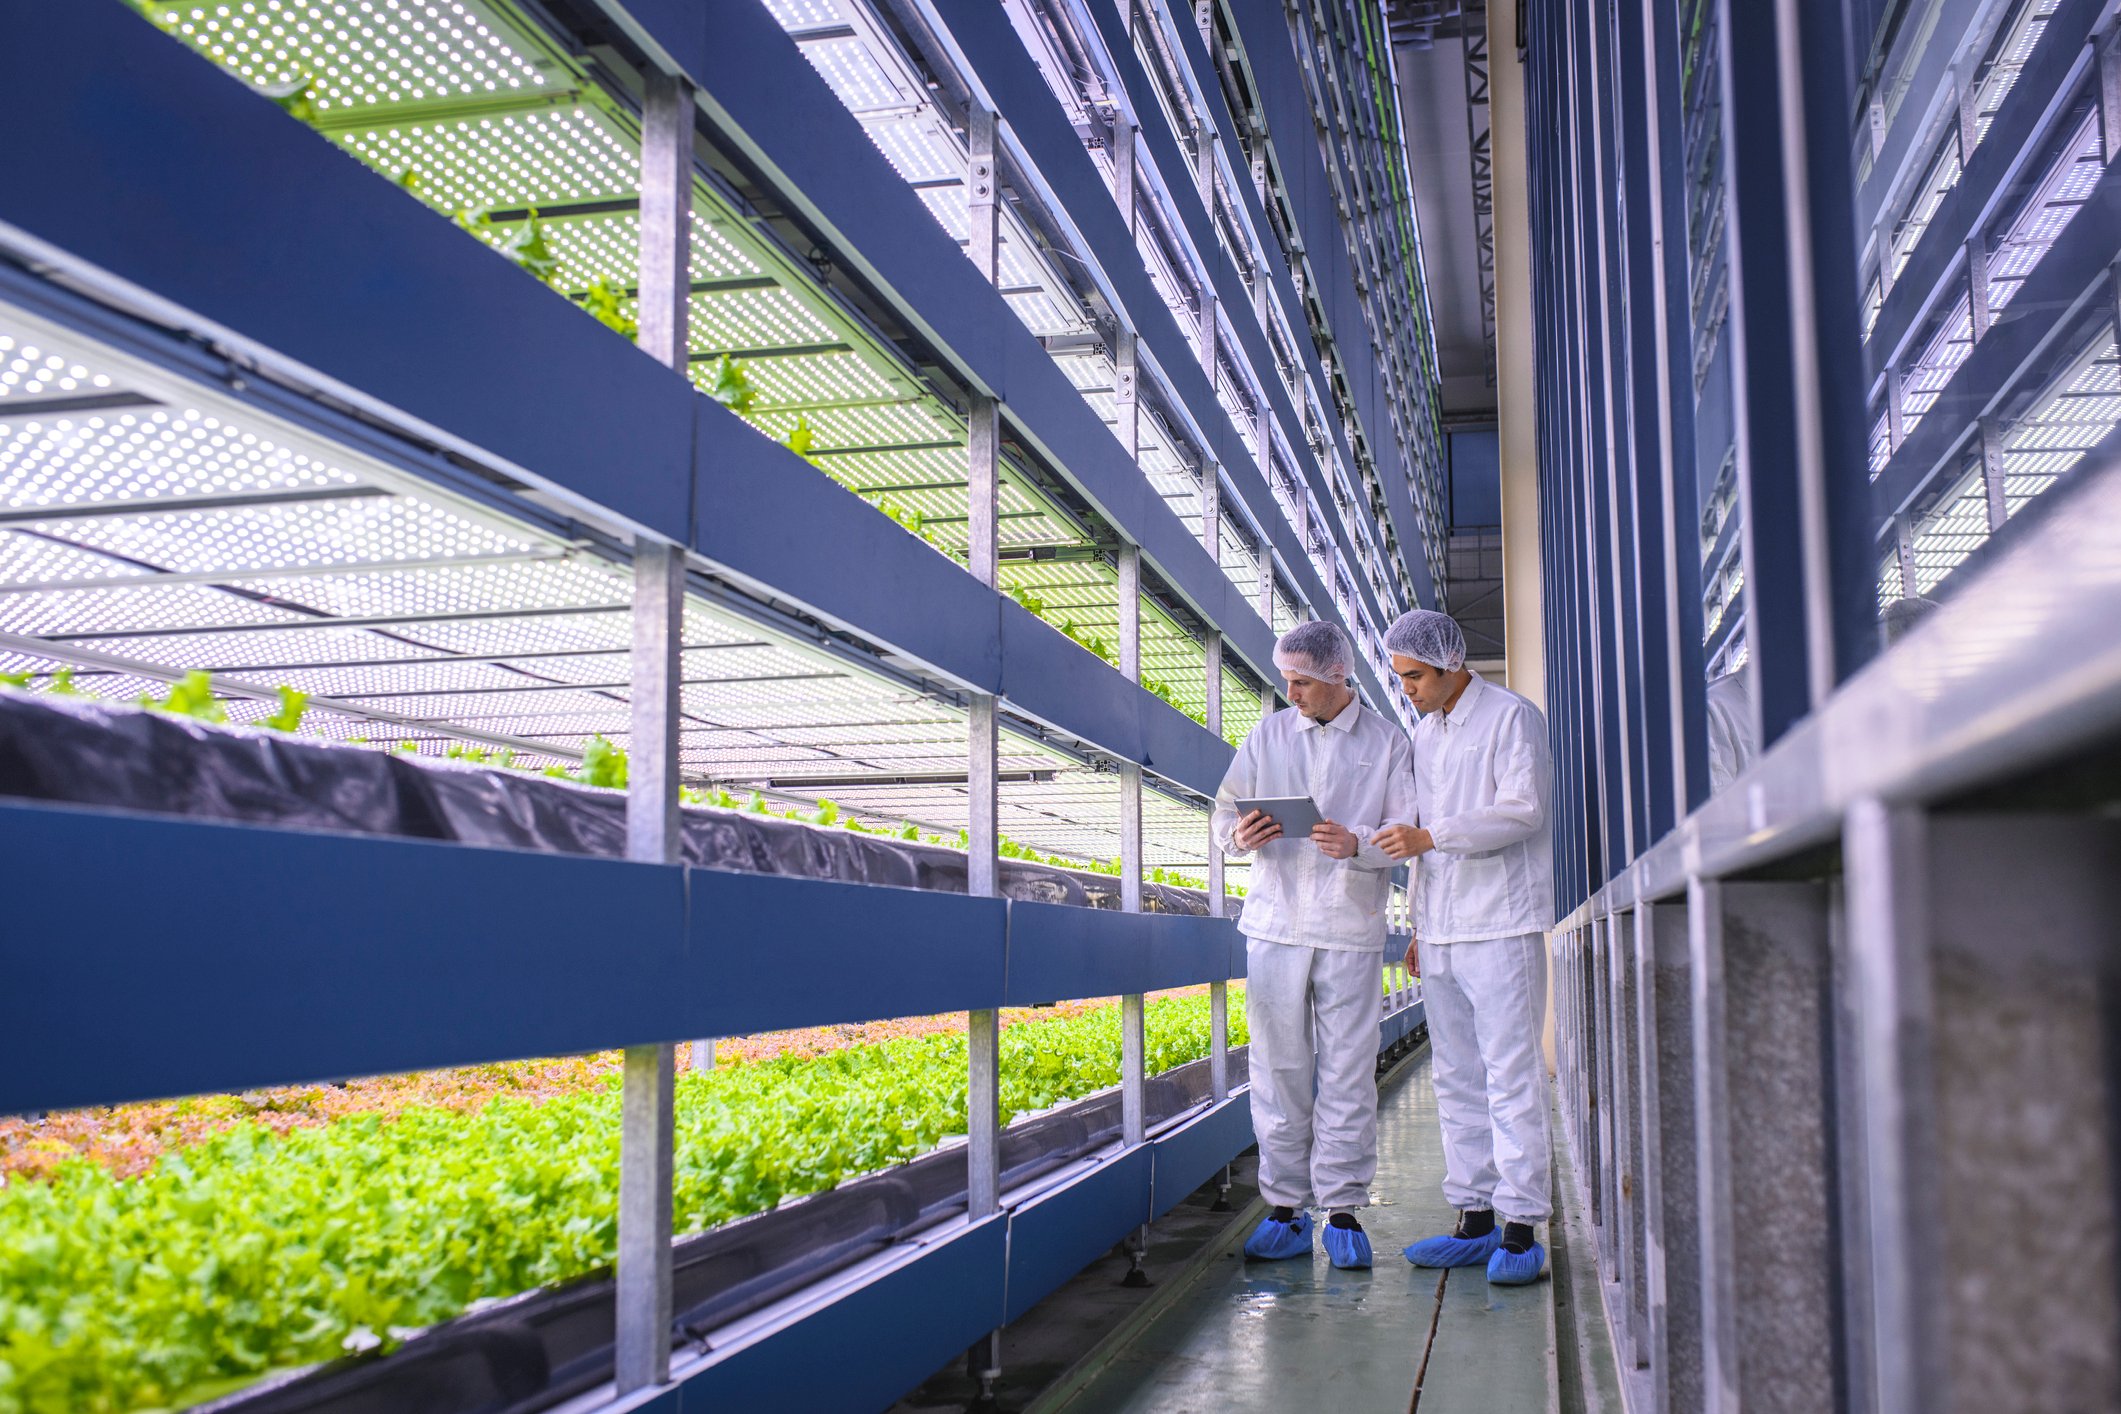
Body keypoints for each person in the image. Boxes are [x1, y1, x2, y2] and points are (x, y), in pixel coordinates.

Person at [1212, 620, 1416, 1270]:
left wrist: (1356, 845)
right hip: (1273, 926)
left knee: (1349, 1070)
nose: (1290, 693)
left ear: (1336, 677)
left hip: (1349, 931)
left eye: (1300, 682)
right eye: (1287, 680)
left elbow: (1405, 829)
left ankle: (1345, 1209)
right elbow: (1222, 813)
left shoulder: (1387, 743)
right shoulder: (1267, 735)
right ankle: (1284, 1208)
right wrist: (1238, 837)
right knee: (1276, 1069)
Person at [1372, 609, 1556, 1286]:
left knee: (1509, 1074)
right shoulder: (1424, 733)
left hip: (1501, 924)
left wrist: (1432, 836)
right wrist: (1420, 924)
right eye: (1401, 679)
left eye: (1415, 676)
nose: (1408, 690)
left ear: (1450, 664)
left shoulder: (1511, 716)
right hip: (1445, 930)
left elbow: (1523, 809)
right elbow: (1420, 841)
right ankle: (1473, 1218)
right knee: (1455, 1077)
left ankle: (1520, 1226)